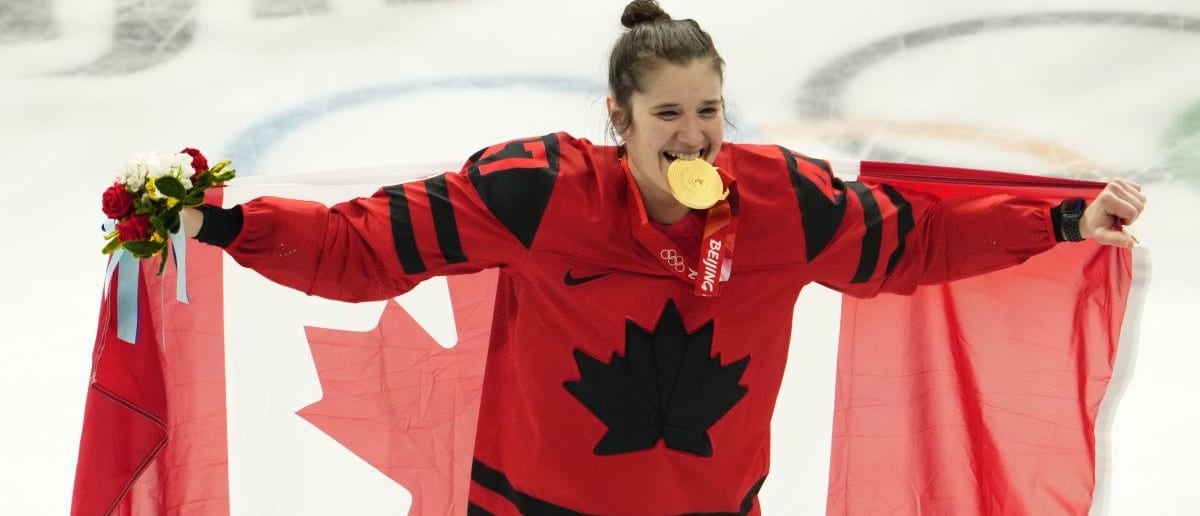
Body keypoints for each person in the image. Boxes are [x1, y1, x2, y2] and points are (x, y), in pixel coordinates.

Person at [182, 1, 1146, 513]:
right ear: (619, 118)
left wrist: (1057, 224)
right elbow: (361, 249)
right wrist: (224, 226)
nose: (693, 140)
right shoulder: (537, 191)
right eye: (668, 115)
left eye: (709, 112)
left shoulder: (782, 202)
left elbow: (911, 242)